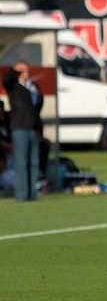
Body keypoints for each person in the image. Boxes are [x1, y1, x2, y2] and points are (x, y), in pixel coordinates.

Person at [2, 60, 43, 201]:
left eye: (26, 70)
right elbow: (6, 79)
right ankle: (21, 194)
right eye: (22, 71)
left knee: (34, 162)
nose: (25, 74)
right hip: (20, 128)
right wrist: (15, 70)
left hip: (33, 128)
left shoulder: (34, 87)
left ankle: (32, 193)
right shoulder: (13, 86)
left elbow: (37, 107)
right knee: (22, 162)